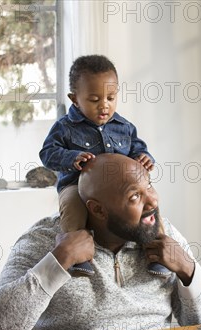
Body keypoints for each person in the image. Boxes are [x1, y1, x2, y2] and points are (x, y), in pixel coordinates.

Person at [0, 154, 201, 330]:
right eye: (135, 196)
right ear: (98, 210)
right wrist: (58, 261)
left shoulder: (163, 233)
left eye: (149, 186)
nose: (152, 202)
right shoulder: (44, 240)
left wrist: (188, 269)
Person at [39, 55, 154, 276]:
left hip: (120, 190)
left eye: (111, 98)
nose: (104, 105)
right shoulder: (65, 127)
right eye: (94, 99)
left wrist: (144, 157)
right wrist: (70, 157)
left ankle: (156, 246)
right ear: (75, 99)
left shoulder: (124, 127)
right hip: (77, 187)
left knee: (150, 201)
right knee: (72, 207)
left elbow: (138, 149)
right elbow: (47, 153)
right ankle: (76, 252)